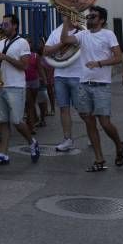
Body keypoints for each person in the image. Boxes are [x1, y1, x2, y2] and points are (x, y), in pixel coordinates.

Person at [61, 5, 123, 172]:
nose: (89, 19)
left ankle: (119, 145)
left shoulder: (108, 34)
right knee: (89, 122)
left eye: (93, 17)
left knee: (105, 123)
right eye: (88, 16)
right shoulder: (83, 34)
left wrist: (99, 63)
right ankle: (99, 158)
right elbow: (65, 41)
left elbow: (119, 57)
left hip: (101, 85)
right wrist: (66, 22)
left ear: (101, 20)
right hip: (84, 84)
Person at [0, 14, 39, 165]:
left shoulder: (22, 42)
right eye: (2, 24)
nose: (3, 27)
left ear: (15, 26)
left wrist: (5, 57)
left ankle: (32, 142)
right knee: (2, 121)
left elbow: (24, 66)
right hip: (1, 85)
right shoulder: (0, 42)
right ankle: (3, 154)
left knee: (17, 121)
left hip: (15, 86)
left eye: (6, 24)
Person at [44, 22, 84, 152]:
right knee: (63, 108)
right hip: (60, 75)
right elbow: (46, 51)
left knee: (82, 109)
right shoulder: (56, 32)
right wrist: (63, 43)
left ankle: (91, 131)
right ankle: (67, 139)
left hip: (78, 74)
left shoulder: (82, 30)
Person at [24, 38, 47, 131]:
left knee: (32, 103)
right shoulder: (21, 56)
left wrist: (44, 79)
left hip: (34, 81)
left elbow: (40, 68)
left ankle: (35, 120)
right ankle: (31, 125)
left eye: (29, 43)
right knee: (29, 103)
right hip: (24, 82)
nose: (27, 45)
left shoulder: (35, 56)